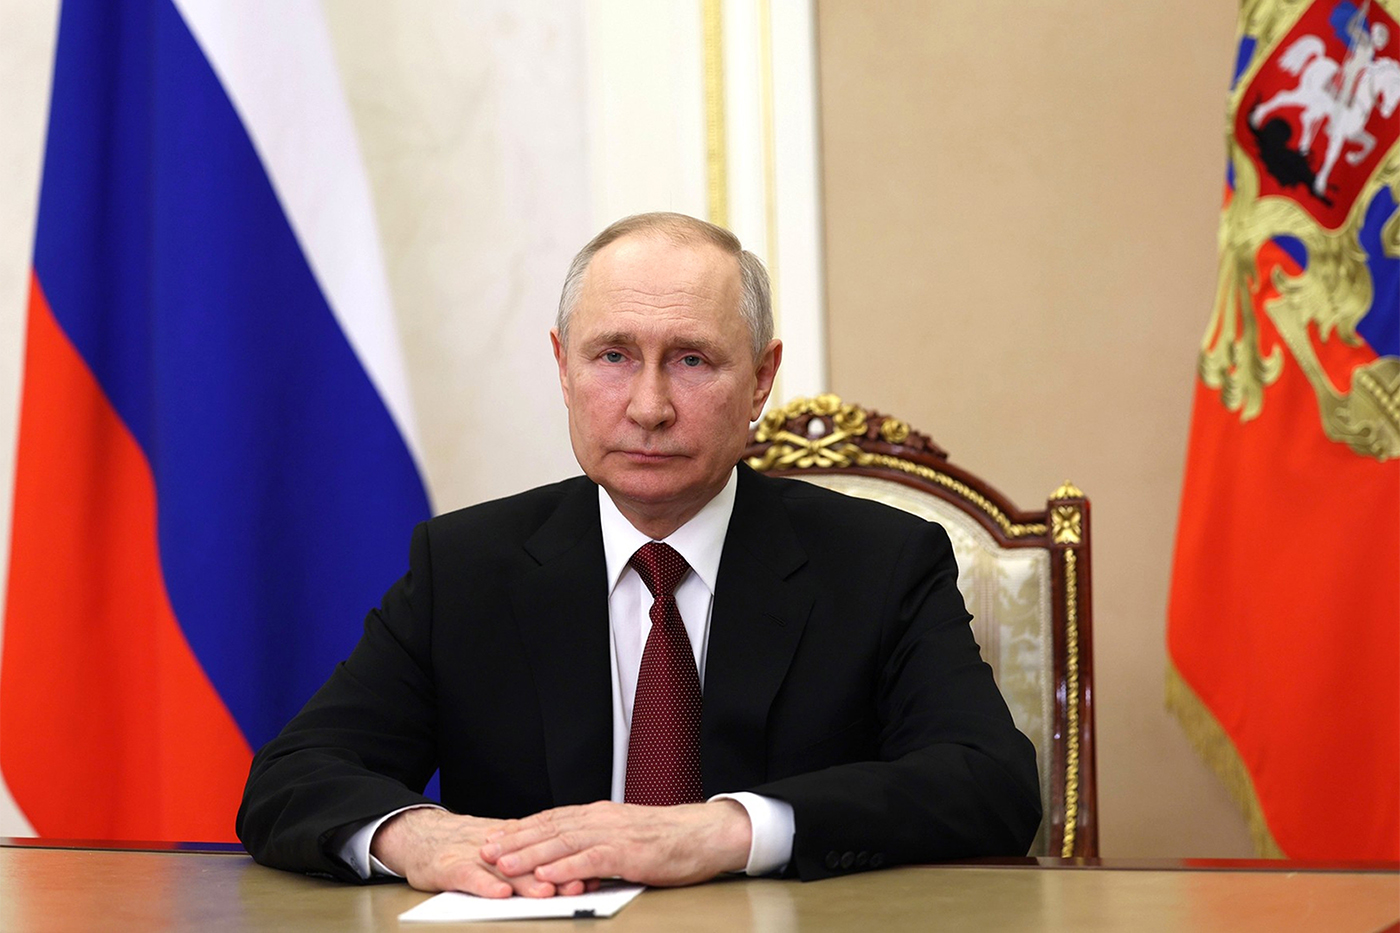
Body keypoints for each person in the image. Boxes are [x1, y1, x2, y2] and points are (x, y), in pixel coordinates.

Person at [236, 212, 1041, 896]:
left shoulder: (881, 560)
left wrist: (725, 831)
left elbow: (990, 783)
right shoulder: (468, 564)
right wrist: (418, 838)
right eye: (613, 356)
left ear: (761, 380)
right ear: (562, 366)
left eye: (691, 360)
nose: (649, 406)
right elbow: (293, 776)